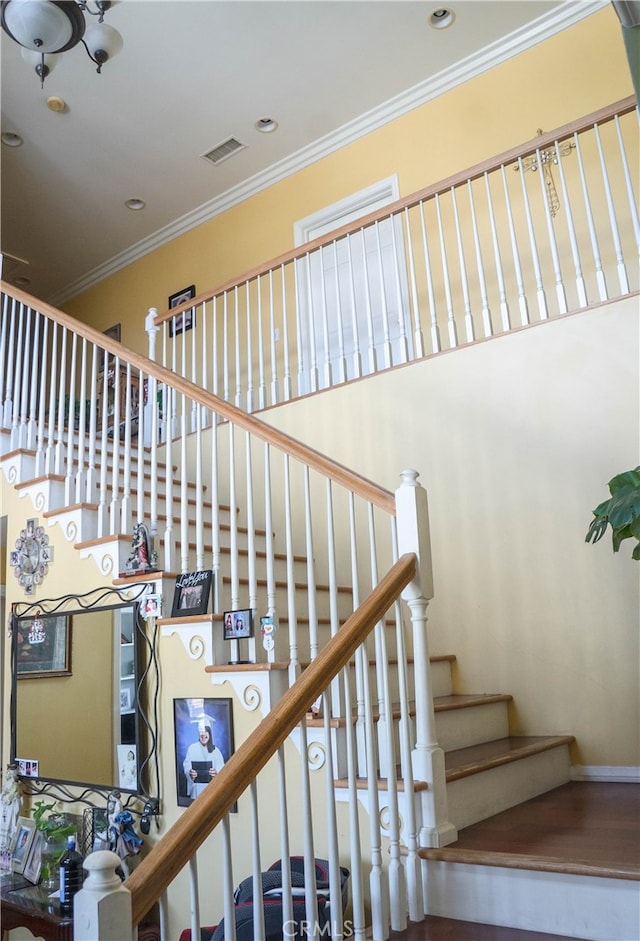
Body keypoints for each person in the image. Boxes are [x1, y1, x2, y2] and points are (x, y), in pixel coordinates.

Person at [183, 717, 225, 800]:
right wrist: (190, 773)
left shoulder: (216, 751)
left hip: (212, 791)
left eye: (206, 731)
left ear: (210, 733)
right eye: (201, 731)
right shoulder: (192, 748)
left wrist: (216, 773)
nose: (203, 734)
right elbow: (186, 766)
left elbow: (223, 770)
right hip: (196, 792)